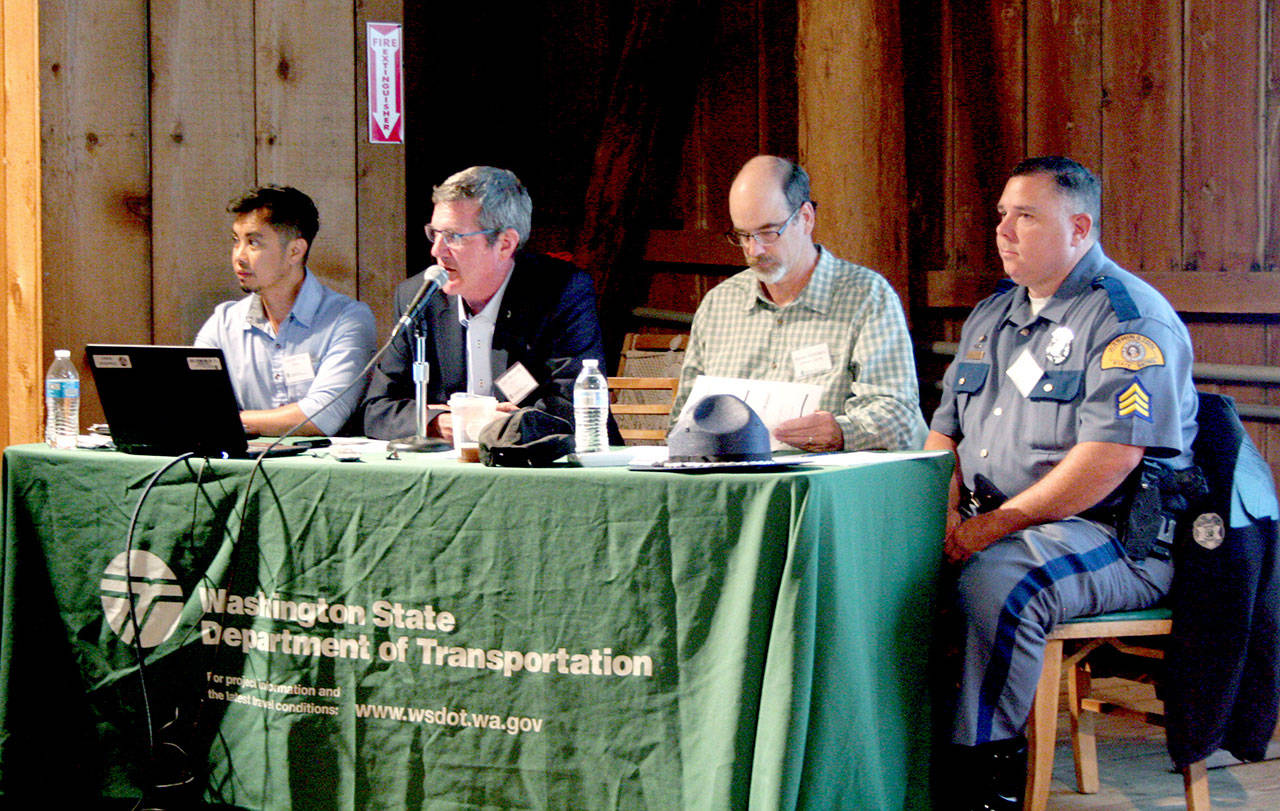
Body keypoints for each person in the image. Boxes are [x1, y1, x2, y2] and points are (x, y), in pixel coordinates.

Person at [925, 156, 1199, 809]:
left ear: (1079, 228)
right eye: (1001, 215)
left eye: (1026, 216)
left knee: (1001, 582)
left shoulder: (1128, 320)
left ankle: (984, 794)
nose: (1004, 230)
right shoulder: (993, 316)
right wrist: (937, 513)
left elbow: (1110, 458)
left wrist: (991, 526)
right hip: (989, 524)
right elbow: (942, 435)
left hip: (1116, 537)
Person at [672, 155, 927, 452]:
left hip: (825, 486)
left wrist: (842, 432)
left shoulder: (866, 297)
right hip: (731, 487)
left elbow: (898, 414)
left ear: (806, 218)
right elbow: (682, 418)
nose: (755, 250)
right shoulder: (719, 305)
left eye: (768, 232)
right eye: (743, 235)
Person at [361, 166, 610, 442]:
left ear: (505, 244)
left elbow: (573, 408)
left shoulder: (562, 293)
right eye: (435, 234)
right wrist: (442, 423)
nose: (436, 251)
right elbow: (377, 411)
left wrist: (502, 426)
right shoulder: (418, 297)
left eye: (453, 237)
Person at [195, 185, 377, 437]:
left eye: (253, 243)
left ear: (295, 251)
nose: (239, 256)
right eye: (236, 241)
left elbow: (322, 417)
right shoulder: (223, 322)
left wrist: (229, 420)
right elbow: (194, 406)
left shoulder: (347, 318)